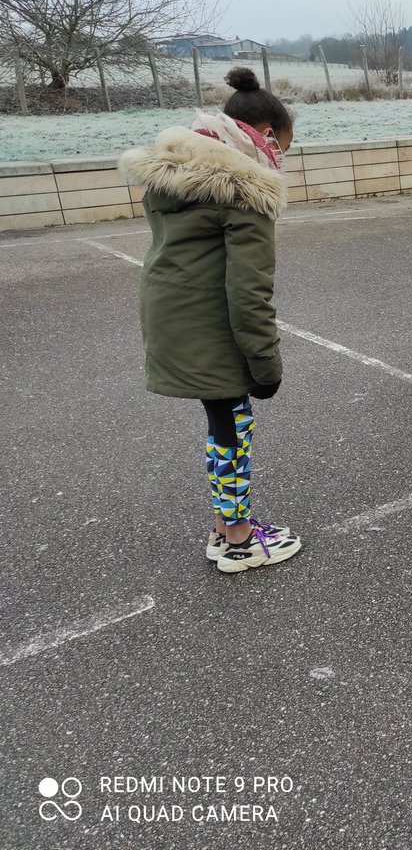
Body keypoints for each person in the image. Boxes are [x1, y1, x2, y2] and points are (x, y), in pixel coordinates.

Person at [119, 67, 302, 574]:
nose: (280, 160)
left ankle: (225, 527)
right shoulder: (246, 191)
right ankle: (241, 540)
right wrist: (266, 367)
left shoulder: (176, 172)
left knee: (221, 423)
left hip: (172, 320)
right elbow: (249, 292)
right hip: (212, 324)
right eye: (283, 148)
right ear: (265, 137)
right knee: (235, 427)